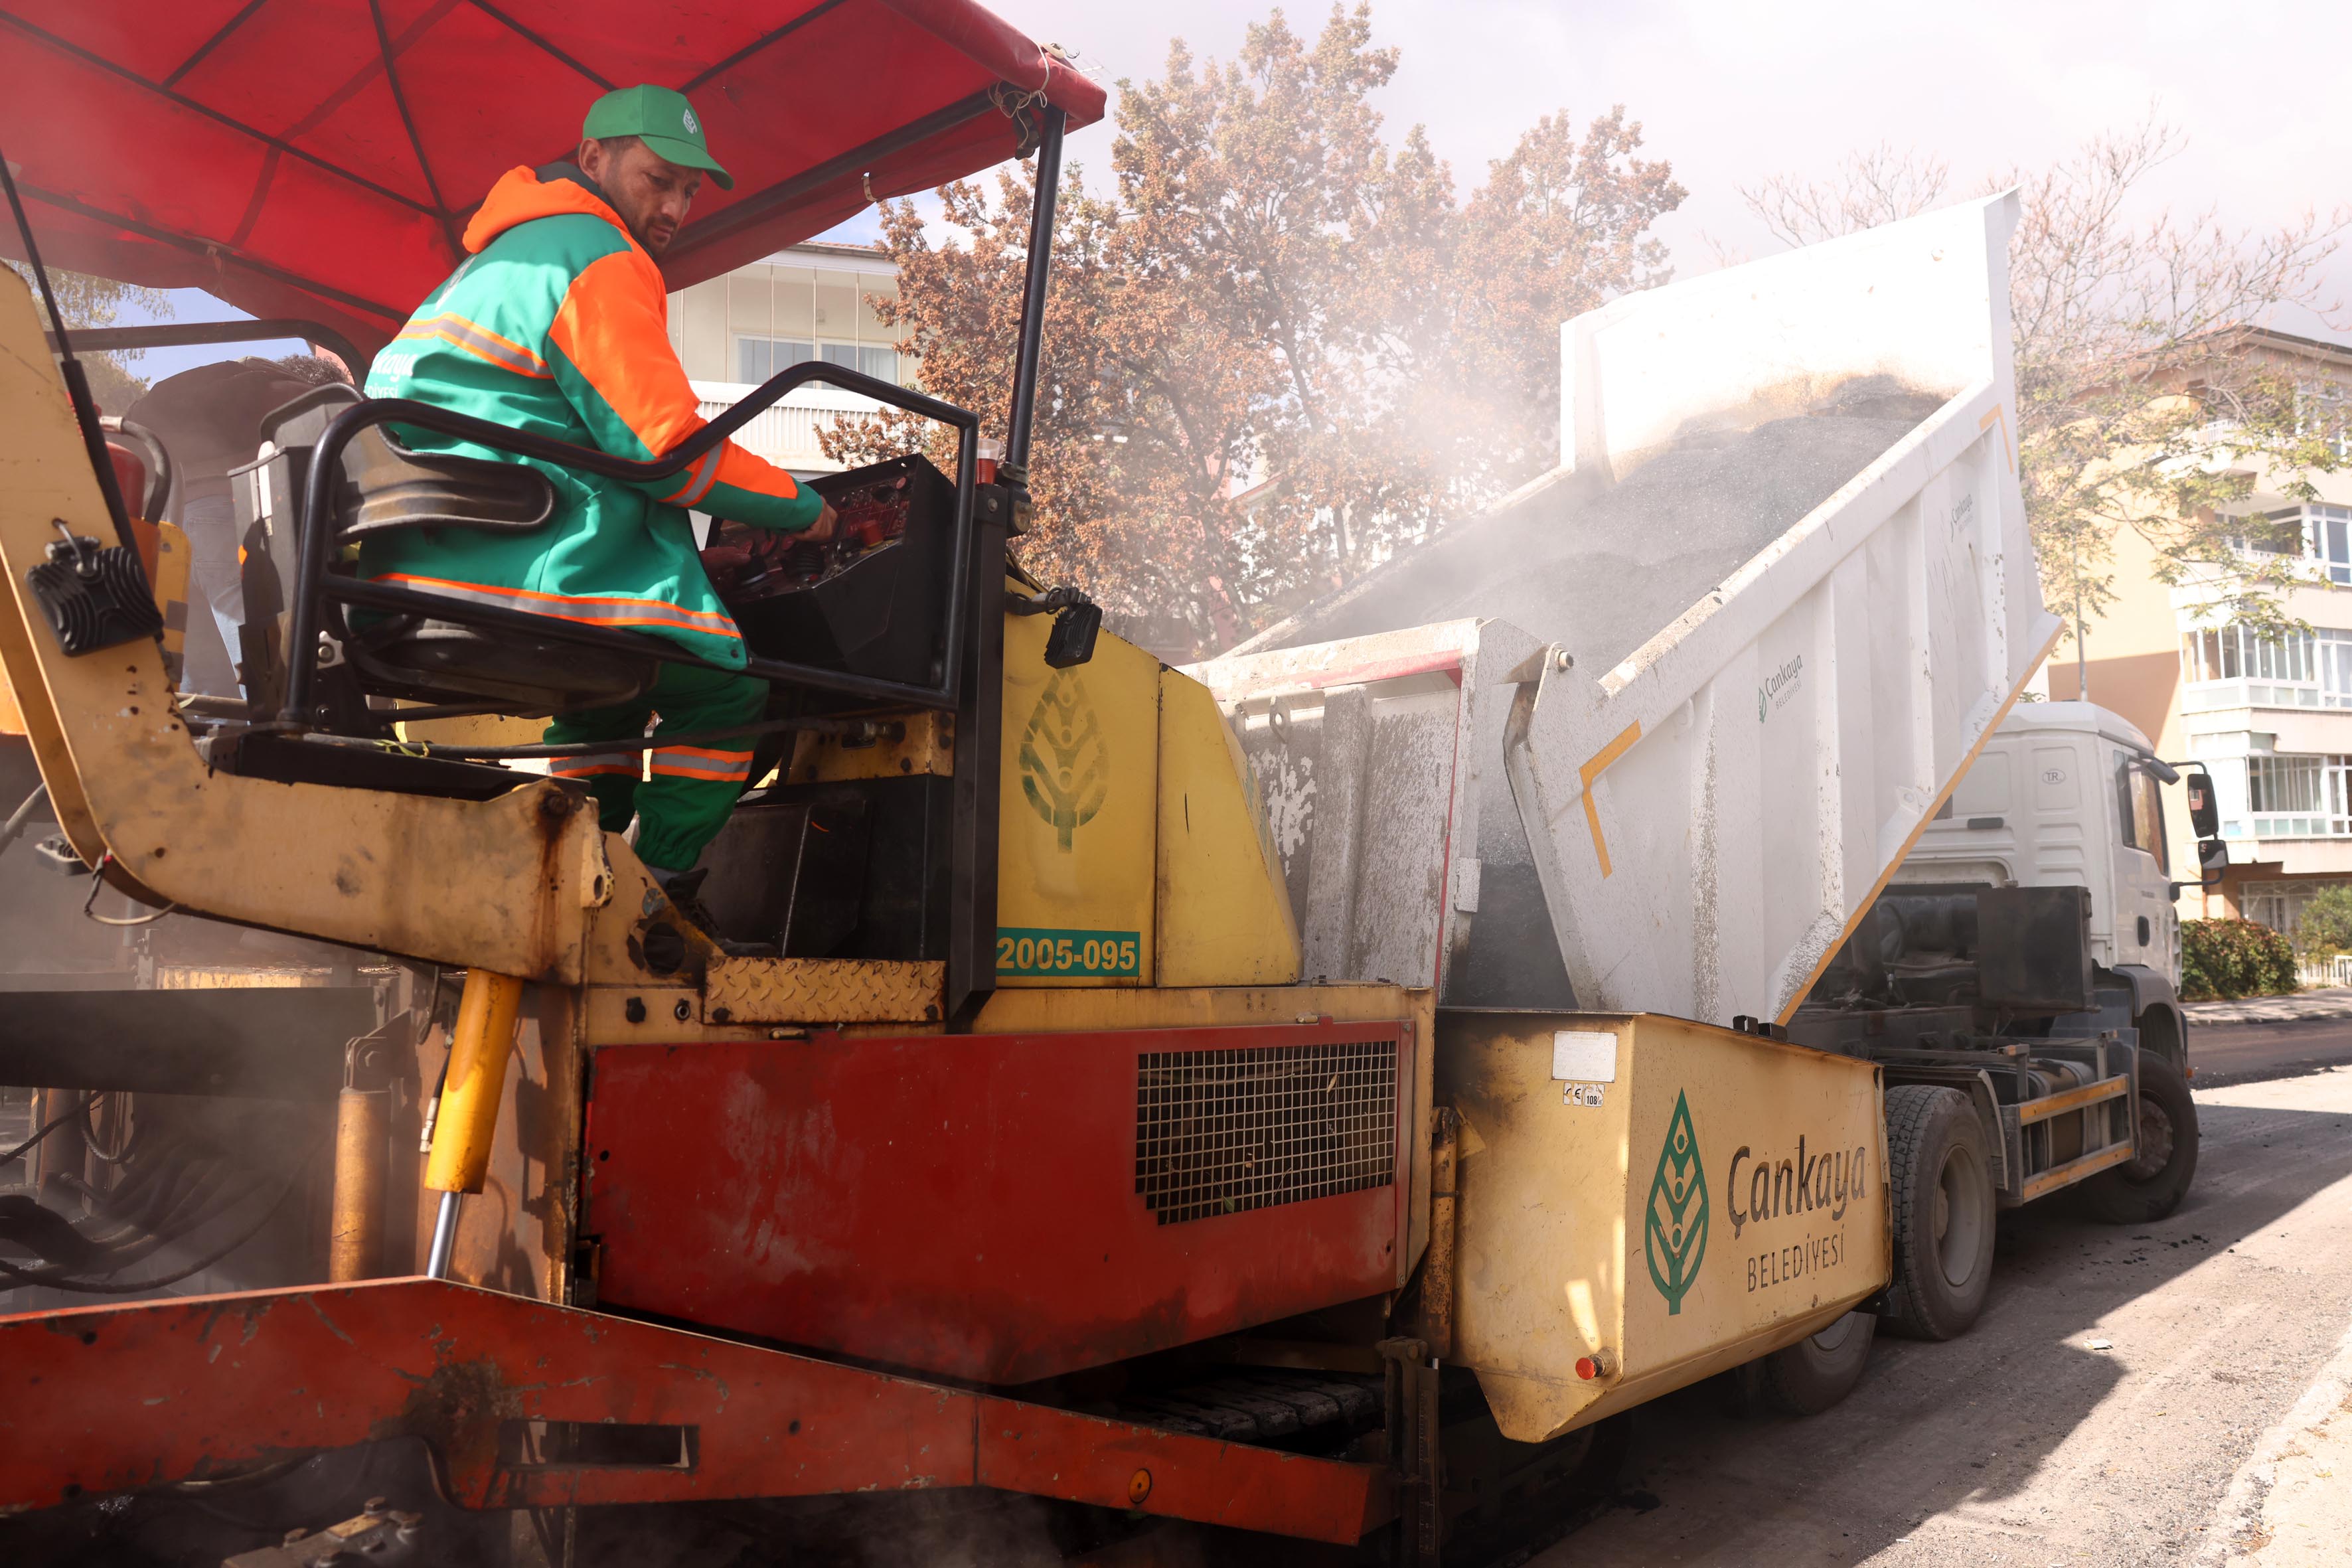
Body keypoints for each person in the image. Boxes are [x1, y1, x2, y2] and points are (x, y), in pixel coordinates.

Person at [359, 84, 835, 927]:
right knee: (726, 693)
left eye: (690, 191)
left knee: (614, 693)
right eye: (659, 179)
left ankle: (575, 874)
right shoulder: (601, 257)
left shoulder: (497, 263)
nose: (676, 207)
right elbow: (664, 452)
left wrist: (693, 561)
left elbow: (556, 436)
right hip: (523, 562)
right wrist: (803, 511)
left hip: (433, 555)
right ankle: (655, 893)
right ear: (593, 159)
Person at [127, 354, 351, 697]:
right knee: (266, 669)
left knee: (201, 681)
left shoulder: (236, 383)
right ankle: (280, 740)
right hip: (224, 519)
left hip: (167, 528)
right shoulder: (301, 394)